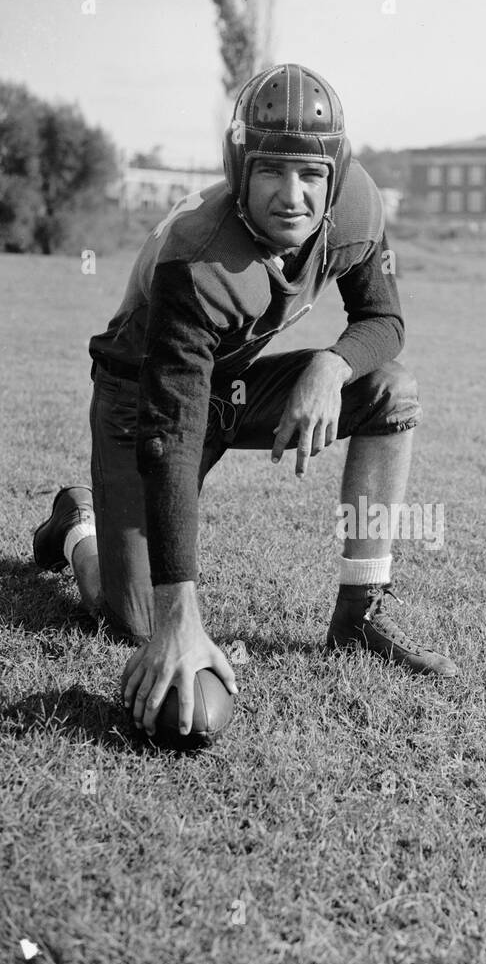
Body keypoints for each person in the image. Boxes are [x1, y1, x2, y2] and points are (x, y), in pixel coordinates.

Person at [32, 63, 457, 740]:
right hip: (142, 397)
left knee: (391, 389)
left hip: (234, 382)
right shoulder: (196, 255)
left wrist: (331, 362)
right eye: (271, 172)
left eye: (310, 175)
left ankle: (360, 613)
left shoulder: (356, 208)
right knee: (135, 619)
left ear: (336, 174)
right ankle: (76, 524)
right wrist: (181, 622)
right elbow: (170, 431)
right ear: (239, 168)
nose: (292, 196)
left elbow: (384, 322)